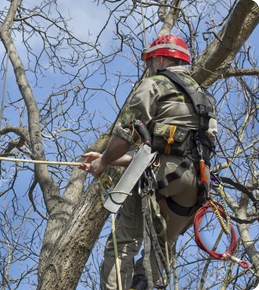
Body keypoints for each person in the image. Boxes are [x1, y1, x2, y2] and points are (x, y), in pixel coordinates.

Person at [79, 35, 217, 290]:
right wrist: (109, 160)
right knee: (160, 248)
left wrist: (102, 163)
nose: (149, 68)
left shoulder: (156, 84)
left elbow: (125, 135)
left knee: (123, 244)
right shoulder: (204, 99)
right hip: (196, 184)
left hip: (161, 176)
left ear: (162, 59)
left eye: (150, 62)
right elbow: (170, 150)